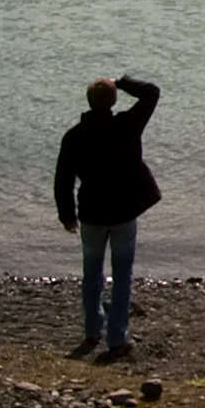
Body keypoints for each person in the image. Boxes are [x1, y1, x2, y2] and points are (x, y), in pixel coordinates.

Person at [51, 76, 162, 364]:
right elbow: (151, 93)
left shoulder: (74, 136)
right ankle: (117, 337)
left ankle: (91, 330)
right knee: (122, 274)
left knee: (92, 272)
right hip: (123, 211)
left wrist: (66, 215)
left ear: (89, 102)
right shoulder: (127, 124)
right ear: (113, 101)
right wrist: (121, 81)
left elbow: (63, 180)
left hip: (91, 212)